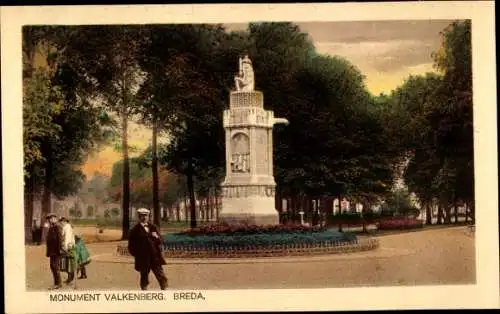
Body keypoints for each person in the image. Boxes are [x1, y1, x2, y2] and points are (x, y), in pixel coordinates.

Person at [128, 208, 168, 290]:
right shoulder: (134, 230)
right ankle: (144, 291)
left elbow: (161, 240)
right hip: (143, 258)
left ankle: (165, 290)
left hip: (154, 256)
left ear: (149, 216)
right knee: (144, 276)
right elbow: (131, 246)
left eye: (146, 215)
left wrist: (156, 237)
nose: (144, 217)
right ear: (139, 217)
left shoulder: (153, 227)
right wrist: (138, 255)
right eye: (142, 216)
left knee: (160, 275)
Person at [45, 213, 63, 290]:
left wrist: (59, 250)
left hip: (56, 251)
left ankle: (58, 283)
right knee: (52, 266)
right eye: (49, 219)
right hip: (52, 251)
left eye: (51, 218)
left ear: (55, 218)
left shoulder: (57, 227)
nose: (50, 220)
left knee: (55, 267)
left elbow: (59, 239)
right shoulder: (52, 227)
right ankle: (57, 283)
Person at [59, 217, 76, 284]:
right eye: (61, 222)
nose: (61, 223)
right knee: (68, 264)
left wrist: (66, 247)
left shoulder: (67, 227)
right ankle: (70, 277)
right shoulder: (66, 227)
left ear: (65, 221)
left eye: (62, 222)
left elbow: (67, 238)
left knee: (69, 264)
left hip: (69, 248)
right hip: (69, 247)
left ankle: (70, 278)